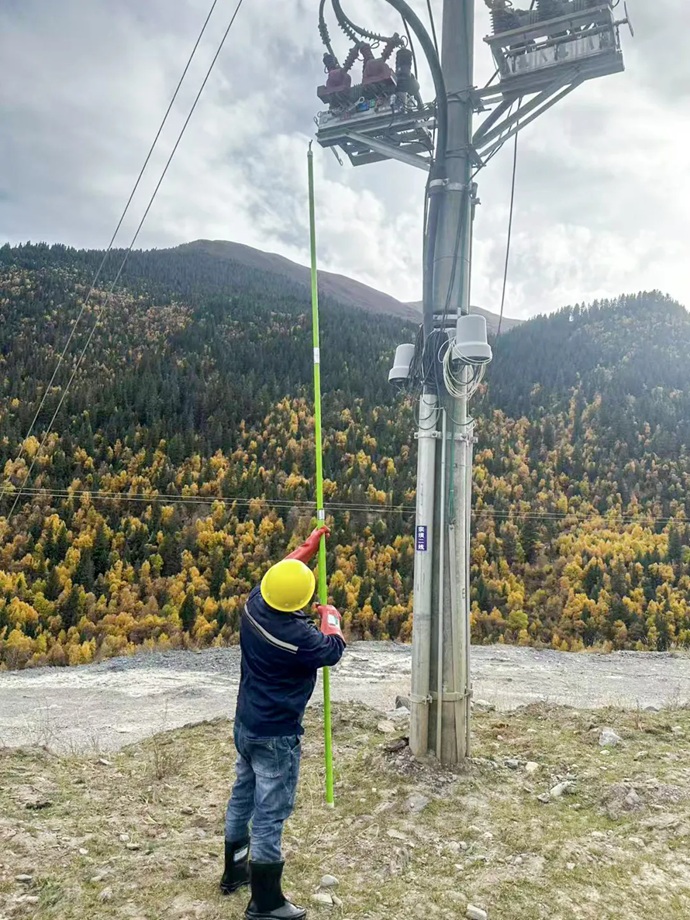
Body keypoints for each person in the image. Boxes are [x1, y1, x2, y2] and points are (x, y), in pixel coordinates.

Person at [221, 525, 346, 920]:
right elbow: (332, 650)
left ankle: (234, 871)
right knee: (270, 814)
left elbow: (281, 572)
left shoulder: (255, 602)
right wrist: (330, 617)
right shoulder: (298, 636)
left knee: (243, 795)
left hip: (246, 724)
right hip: (277, 735)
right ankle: (266, 902)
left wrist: (309, 546)